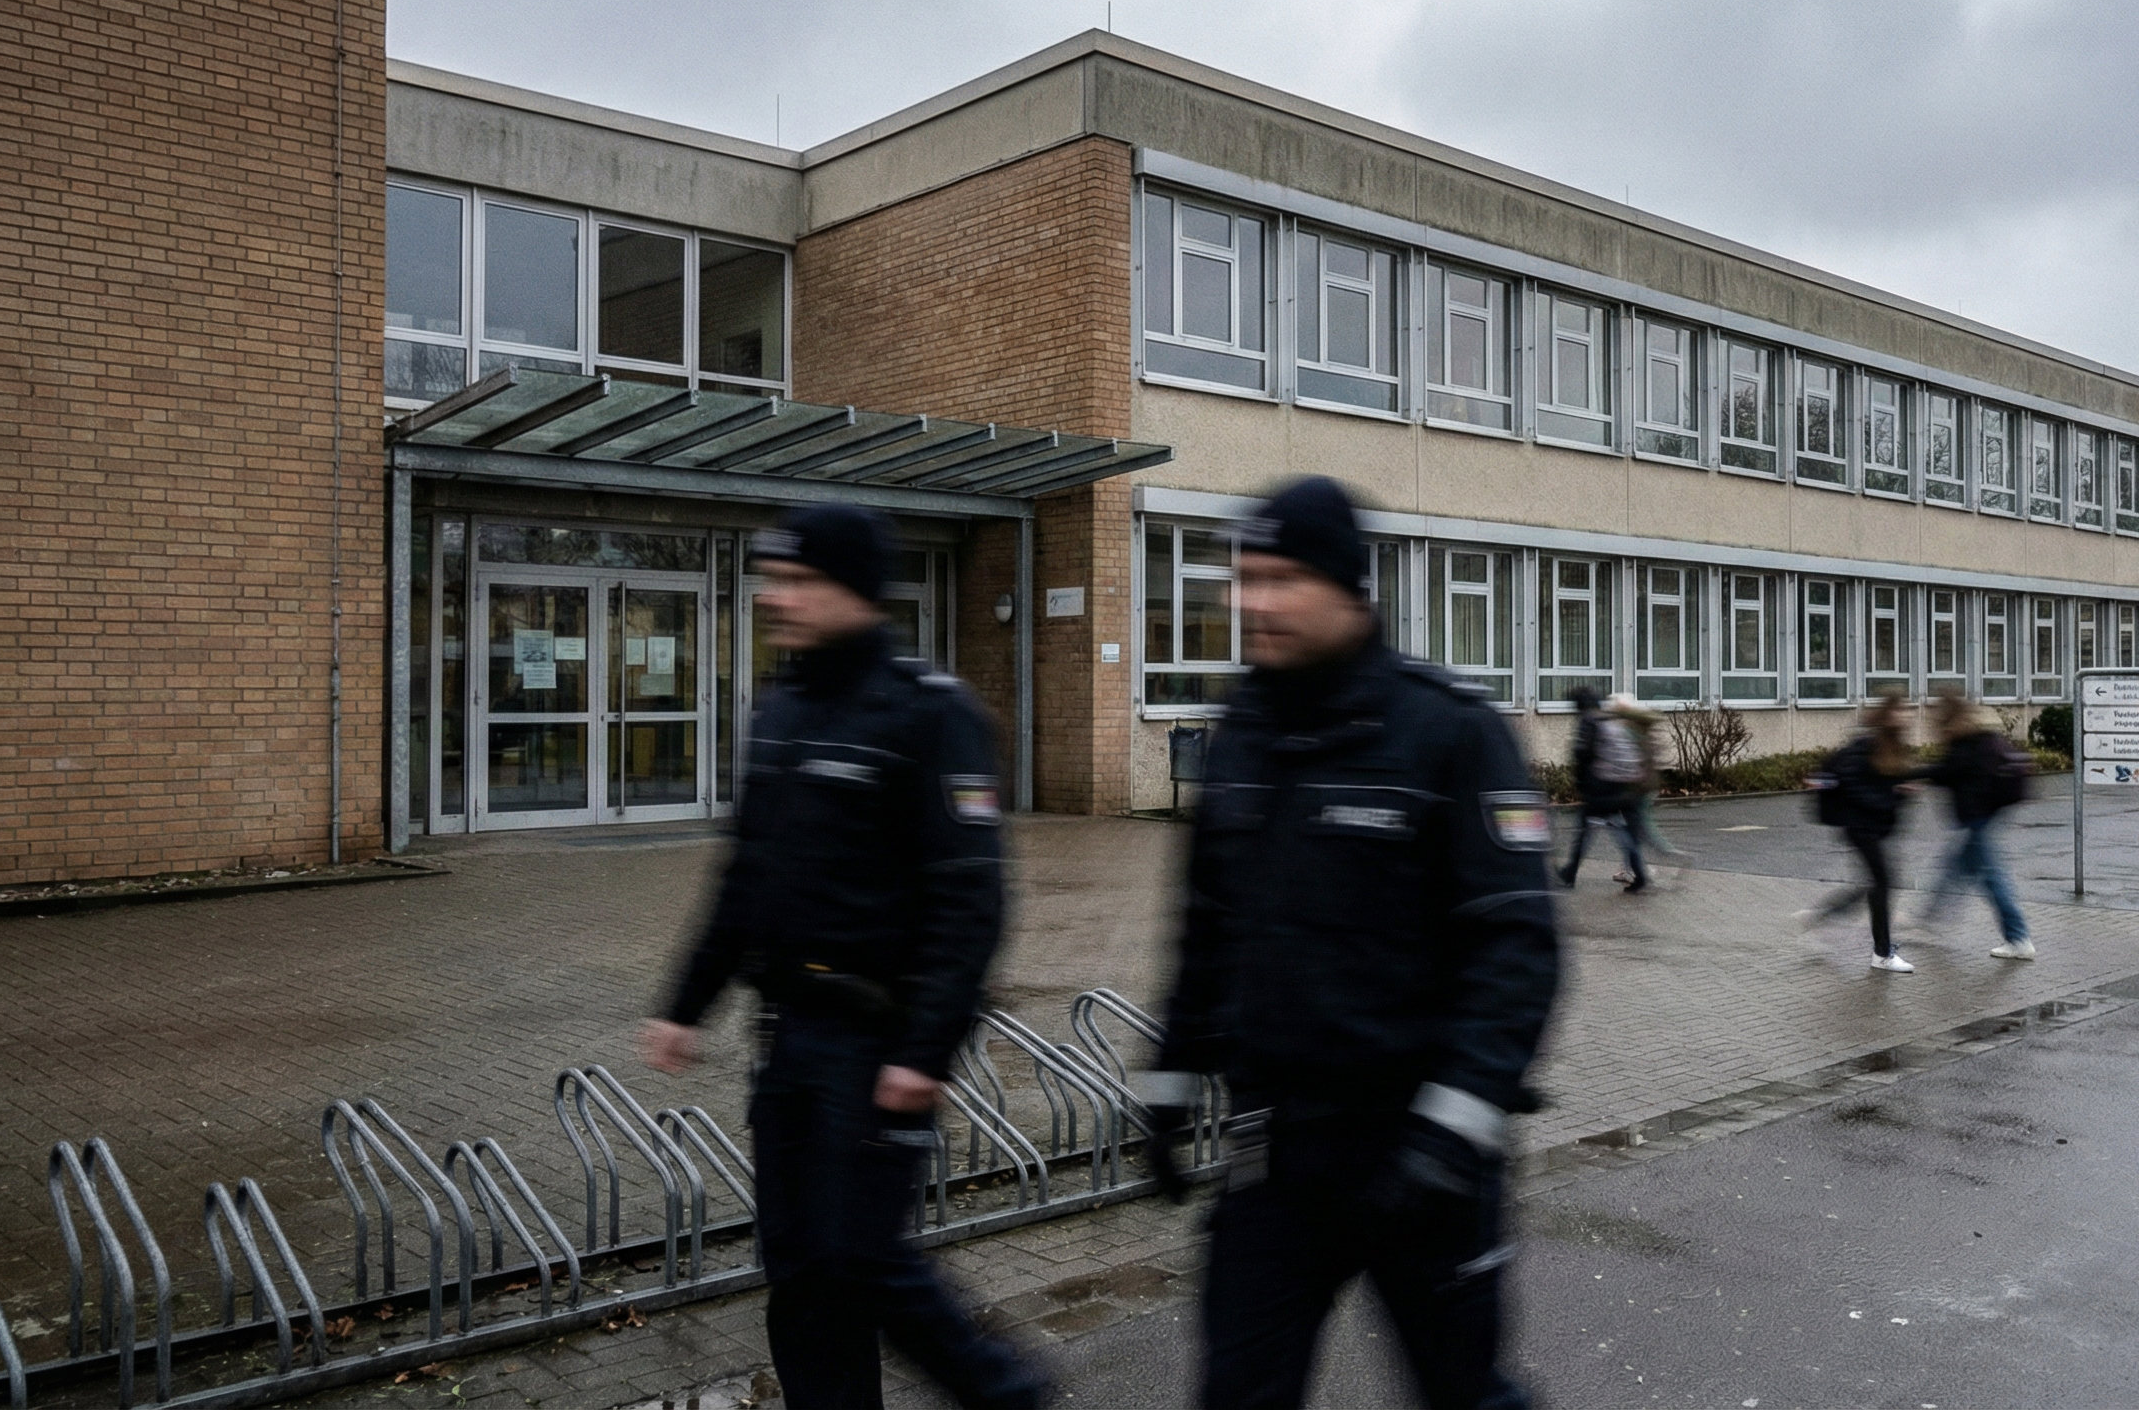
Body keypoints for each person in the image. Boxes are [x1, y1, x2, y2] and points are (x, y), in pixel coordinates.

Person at [1129, 476, 1560, 1410]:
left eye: (1282, 578)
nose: (1254, 602)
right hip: (1275, 1152)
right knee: (1239, 1392)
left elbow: (1518, 948)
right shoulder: (1244, 729)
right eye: (1244, 577)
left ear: (1348, 589)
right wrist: (1167, 1079)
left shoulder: (1447, 730)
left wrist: (1453, 1128)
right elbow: (1207, 926)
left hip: (1421, 1155)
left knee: (1464, 1393)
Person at [638, 504, 1046, 1410]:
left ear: (854, 591)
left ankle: (1009, 1394)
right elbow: (746, 876)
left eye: (799, 582)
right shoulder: (781, 708)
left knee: (866, 1259)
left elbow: (971, 900)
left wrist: (924, 1051)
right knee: (802, 1277)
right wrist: (685, 1004)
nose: (777, 598)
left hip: (877, 1041)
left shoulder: (930, 714)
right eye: (773, 579)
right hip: (789, 1041)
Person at [1808, 688, 1922, 973]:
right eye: (1901, 710)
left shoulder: (1893, 745)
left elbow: (1883, 785)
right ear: (1888, 714)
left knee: (1875, 885)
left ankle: (1823, 915)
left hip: (1872, 826)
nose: (1907, 715)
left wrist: (1901, 791)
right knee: (1882, 882)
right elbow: (1853, 784)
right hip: (1859, 826)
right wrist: (1893, 796)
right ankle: (1882, 953)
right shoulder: (1866, 744)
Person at [1920, 687, 2036, 960]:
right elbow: (1948, 773)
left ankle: (2018, 938)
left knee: (1992, 877)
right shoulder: (1974, 740)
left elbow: (1946, 771)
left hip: (1978, 818)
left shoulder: (1967, 744)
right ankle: (1929, 918)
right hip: (1980, 817)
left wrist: (1909, 775)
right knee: (1955, 867)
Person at [1557, 685, 1649, 892]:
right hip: (1624, 782)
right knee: (1619, 827)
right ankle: (1639, 874)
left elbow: (1582, 754)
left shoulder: (1588, 720)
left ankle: (1569, 873)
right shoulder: (1608, 718)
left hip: (1601, 785)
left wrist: (1581, 784)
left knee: (1587, 828)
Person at [1608, 693, 1680, 862]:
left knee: (1636, 827)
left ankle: (1665, 853)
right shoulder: (1641, 728)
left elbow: (1626, 761)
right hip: (1647, 784)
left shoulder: (1629, 731)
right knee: (1635, 826)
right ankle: (1632, 867)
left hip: (1637, 787)